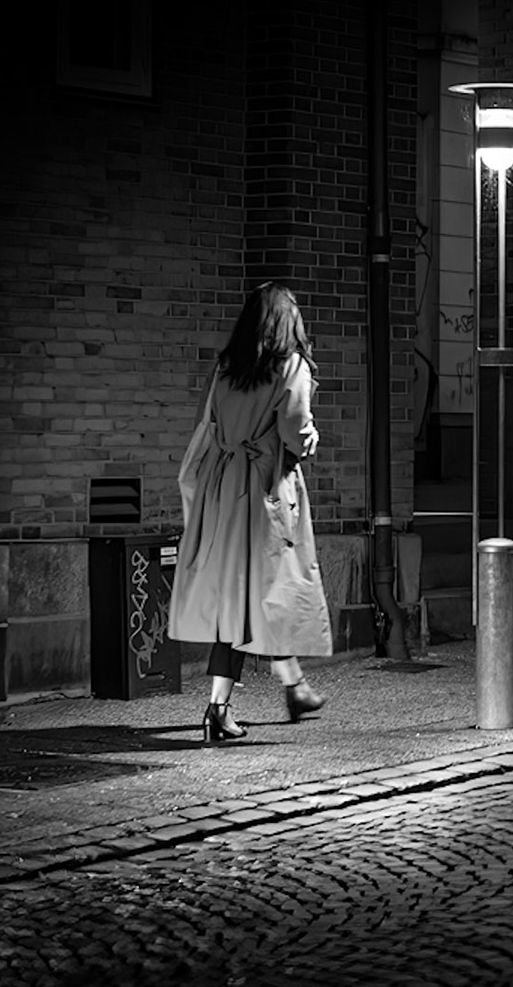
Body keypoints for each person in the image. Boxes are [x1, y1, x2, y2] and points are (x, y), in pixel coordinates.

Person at [173, 281, 332, 742]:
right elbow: (294, 429)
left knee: (239, 598)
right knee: (269, 592)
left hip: (224, 487)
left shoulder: (227, 367)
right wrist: (309, 441)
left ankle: (270, 693)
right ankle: (247, 700)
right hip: (266, 487)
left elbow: (208, 423)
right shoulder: (291, 365)